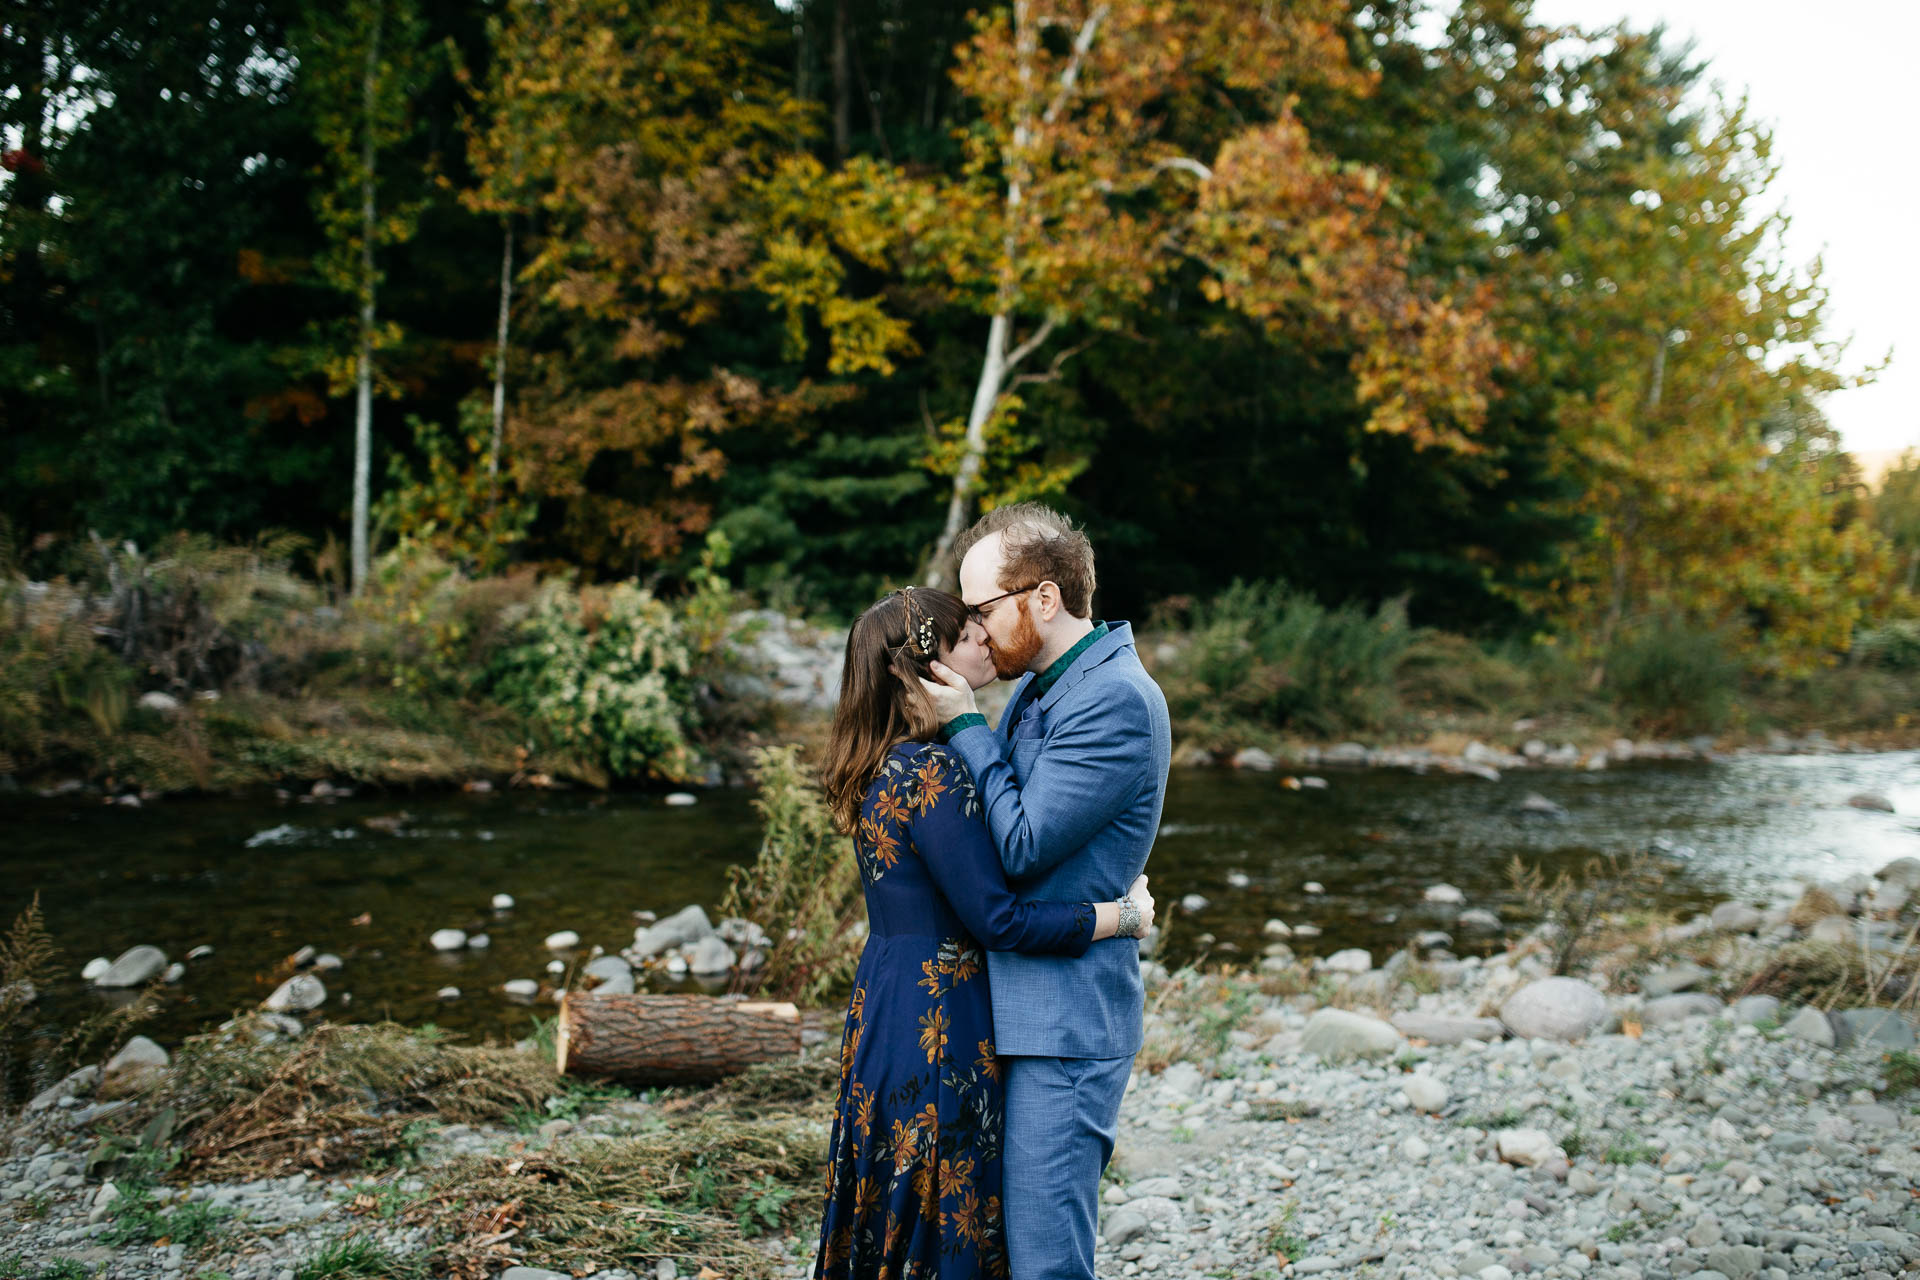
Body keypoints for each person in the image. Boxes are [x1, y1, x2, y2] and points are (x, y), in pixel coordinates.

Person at [812, 585, 1155, 1280]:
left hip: (884, 1005)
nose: (985, 641)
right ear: (932, 667)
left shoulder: (883, 762)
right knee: (941, 1217)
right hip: (939, 1020)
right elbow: (998, 919)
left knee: (896, 1203)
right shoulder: (933, 771)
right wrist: (1120, 917)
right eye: (968, 635)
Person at [915, 503, 1172, 1280]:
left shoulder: (1115, 699)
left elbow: (1022, 844)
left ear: (1045, 599)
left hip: (1064, 1027)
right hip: (1018, 1012)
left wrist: (965, 724)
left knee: (1046, 1262)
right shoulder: (1047, 683)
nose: (975, 629)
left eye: (983, 610)